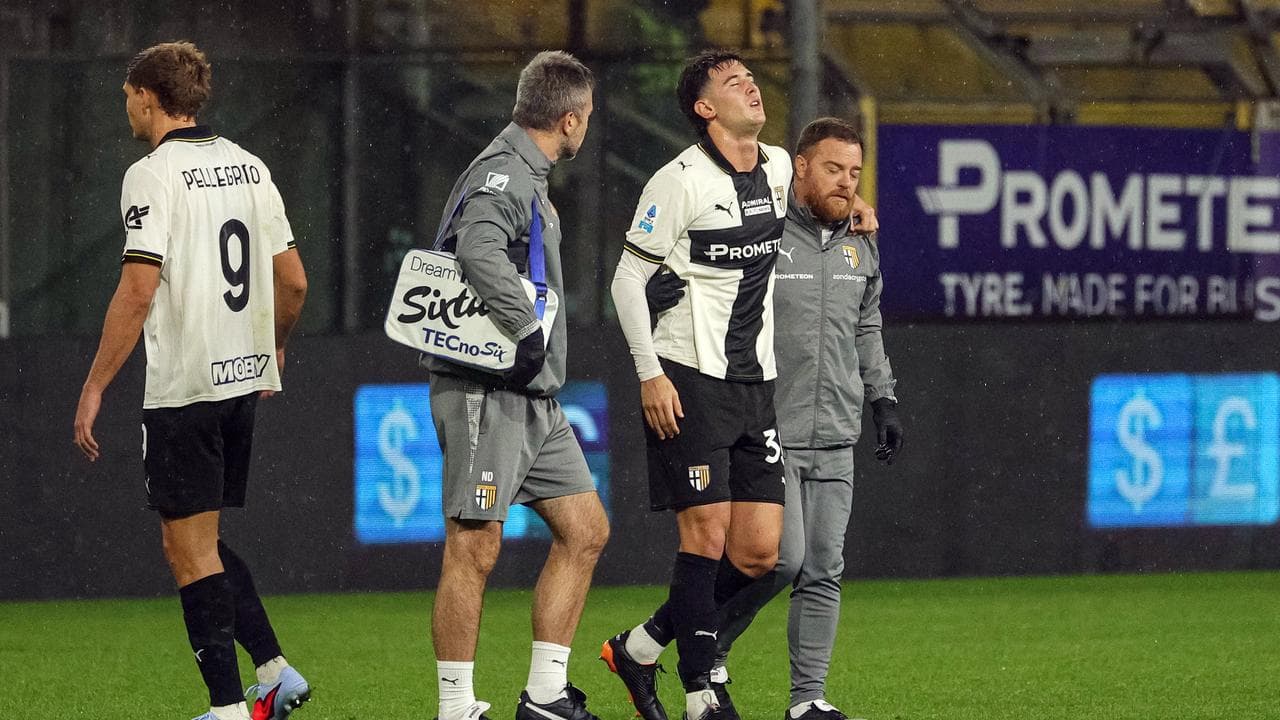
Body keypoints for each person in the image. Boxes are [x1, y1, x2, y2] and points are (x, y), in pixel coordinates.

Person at [71, 42, 310, 720]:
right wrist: (274, 343)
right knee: (198, 540)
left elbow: (137, 289)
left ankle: (228, 708)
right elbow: (294, 281)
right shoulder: (250, 165)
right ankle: (275, 672)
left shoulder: (152, 175)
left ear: (149, 98)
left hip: (187, 388)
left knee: (187, 550)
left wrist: (95, 386)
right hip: (241, 382)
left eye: (128, 96)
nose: (126, 107)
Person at [648, 118, 903, 720]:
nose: (846, 183)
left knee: (823, 571)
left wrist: (882, 398)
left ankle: (807, 699)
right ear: (801, 167)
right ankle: (707, 649)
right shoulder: (764, 231)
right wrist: (662, 284)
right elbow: (707, 272)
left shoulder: (861, 243)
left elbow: (866, 325)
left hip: (836, 431)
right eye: (833, 169)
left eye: (855, 173)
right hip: (770, 426)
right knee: (778, 561)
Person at [601, 50, 792, 720]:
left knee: (760, 553)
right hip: (688, 377)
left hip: (754, 383)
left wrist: (852, 206)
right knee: (705, 538)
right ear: (705, 108)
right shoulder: (678, 181)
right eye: (734, 82)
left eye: (752, 78)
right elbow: (627, 280)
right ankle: (701, 693)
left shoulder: (778, 167)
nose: (752, 86)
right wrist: (649, 373)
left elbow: (809, 206)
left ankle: (641, 647)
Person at [420, 50, 610, 720]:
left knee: (585, 529)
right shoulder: (504, 173)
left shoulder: (525, 174)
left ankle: (546, 695)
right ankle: (455, 708)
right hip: (487, 390)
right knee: (474, 547)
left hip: (531, 397)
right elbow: (476, 248)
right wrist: (526, 331)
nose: (588, 126)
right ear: (569, 119)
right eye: (588, 115)